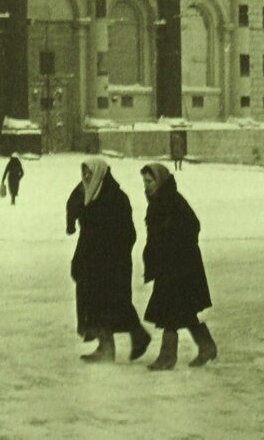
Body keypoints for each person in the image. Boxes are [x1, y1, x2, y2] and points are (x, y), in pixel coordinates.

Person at [67, 157, 150, 364]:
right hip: (92, 260)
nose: (86, 177)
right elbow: (74, 205)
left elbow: (128, 233)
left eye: (89, 173)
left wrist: (109, 254)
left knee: (112, 302)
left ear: (100, 173)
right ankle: (110, 346)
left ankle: (131, 338)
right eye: (84, 173)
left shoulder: (115, 197)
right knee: (99, 303)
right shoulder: (89, 194)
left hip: (110, 261)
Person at [140, 163, 216, 370]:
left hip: (180, 265)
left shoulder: (173, 200)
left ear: (160, 180)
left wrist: (174, 244)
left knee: (169, 311)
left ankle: (167, 357)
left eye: (150, 181)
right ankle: (206, 345)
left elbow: (193, 225)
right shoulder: (157, 202)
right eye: (145, 182)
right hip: (170, 265)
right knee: (184, 309)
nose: (146, 186)